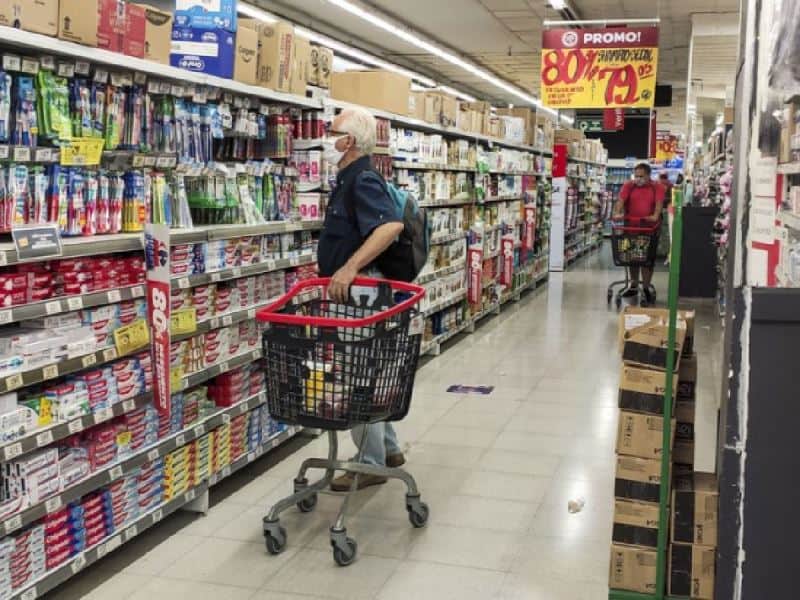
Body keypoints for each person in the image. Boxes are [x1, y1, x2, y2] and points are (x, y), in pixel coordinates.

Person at [317, 106, 406, 492]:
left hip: (361, 293)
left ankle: (369, 463)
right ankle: (388, 449)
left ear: (348, 141)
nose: (325, 137)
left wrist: (349, 267)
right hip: (355, 290)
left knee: (357, 374)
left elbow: (390, 226)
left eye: (331, 131)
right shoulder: (348, 177)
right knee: (367, 369)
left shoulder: (362, 178)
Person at [613, 162, 665, 305]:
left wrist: (655, 216)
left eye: (641, 176)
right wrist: (617, 212)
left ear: (648, 175)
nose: (638, 179)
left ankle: (646, 287)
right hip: (630, 228)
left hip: (649, 229)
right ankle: (634, 285)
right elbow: (621, 201)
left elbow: (659, 205)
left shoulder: (657, 187)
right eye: (636, 176)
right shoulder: (629, 185)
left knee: (647, 261)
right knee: (632, 258)